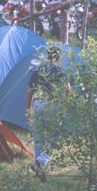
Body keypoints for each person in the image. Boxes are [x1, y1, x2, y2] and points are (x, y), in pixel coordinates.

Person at [26, 46, 68, 182]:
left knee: (39, 137)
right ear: (58, 57)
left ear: (47, 55)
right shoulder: (60, 71)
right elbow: (67, 90)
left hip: (38, 104)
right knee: (54, 136)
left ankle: (40, 169)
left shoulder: (38, 69)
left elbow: (29, 92)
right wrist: (63, 106)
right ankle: (42, 161)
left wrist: (29, 110)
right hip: (53, 105)